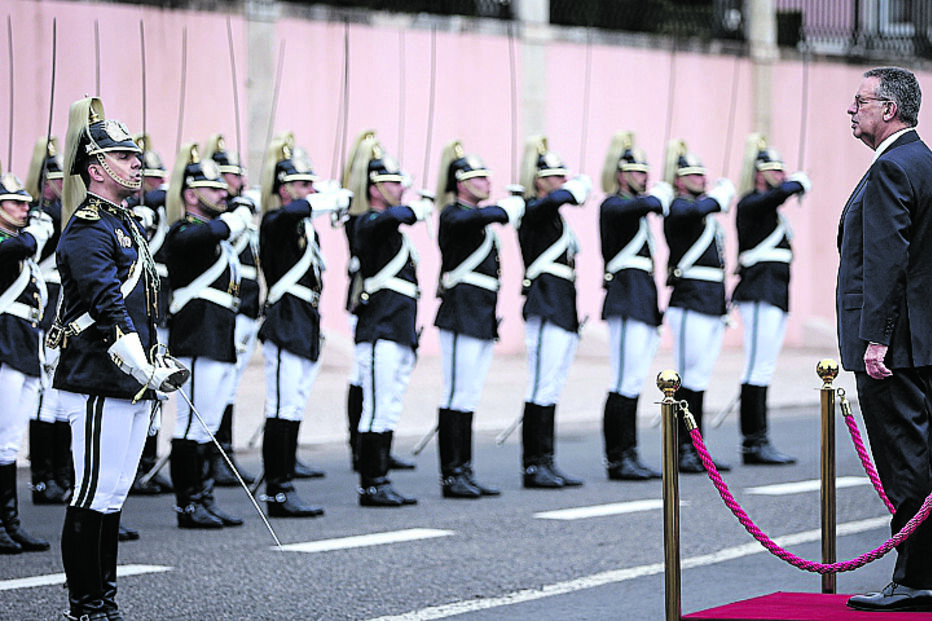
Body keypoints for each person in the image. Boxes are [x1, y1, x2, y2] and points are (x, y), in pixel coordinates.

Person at [53, 96, 187, 621]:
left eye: (136, 156)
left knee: (112, 495)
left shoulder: (126, 224)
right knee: (91, 492)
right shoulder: (88, 229)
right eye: (126, 156)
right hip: (100, 377)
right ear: (96, 167)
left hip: (132, 379)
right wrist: (144, 367)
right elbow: (108, 309)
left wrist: (157, 363)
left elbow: (145, 306)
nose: (138, 164)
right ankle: (86, 607)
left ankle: (104, 602)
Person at [840, 67, 932, 613]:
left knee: (906, 463)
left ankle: (915, 577)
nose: (853, 111)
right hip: (918, 339)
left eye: (861, 102)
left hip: (893, 348)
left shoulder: (893, 168)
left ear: (890, 109)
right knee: (920, 457)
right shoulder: (922, 161)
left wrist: (876, 340)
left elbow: (886, 262)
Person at [255, 132, 349, 517]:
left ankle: (286, 480)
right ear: (283, 188)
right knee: (281, 406)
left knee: (293, 406)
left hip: (304, 320)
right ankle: (277, 490)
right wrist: (322, 200)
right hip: (283, 321)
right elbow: (294, 212)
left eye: (310, 183)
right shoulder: (277, 219)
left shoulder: (303, 224)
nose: (307, 190)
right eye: (300, 184)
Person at [164, 142, 251, 529]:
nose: (223, 193)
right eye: (213, 188)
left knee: (209, 424)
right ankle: (188, 505)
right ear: (190, 194)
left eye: (223, 187)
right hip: (196, 337)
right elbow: (209, 235)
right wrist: (237, 217)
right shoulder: (184, 231)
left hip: (218, 337)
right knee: (190, 423)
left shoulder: (215, 232)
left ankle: (204, 498)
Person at [343, 130, 431, 507]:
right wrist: (411, 211)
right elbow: (384, 220)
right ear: (374, 188)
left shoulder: (390, 226)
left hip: (398, 328)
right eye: (392, 183)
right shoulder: (364, 222)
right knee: (376, 406)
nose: (400, 188)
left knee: (390, 404)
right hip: (378, 328)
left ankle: (381, 476)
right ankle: (372, 482)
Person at [432, 140, 523, 498]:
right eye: (479, 178)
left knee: (468, 395)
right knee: (456, 394)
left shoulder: (479, 219)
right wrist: (503, 209)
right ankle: (451, 474)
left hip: (480, 316)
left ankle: (464, 470)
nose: (487, 183)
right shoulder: (453, 215)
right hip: (459, 315)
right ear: (460, 183)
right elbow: (475, 217)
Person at [515, 136, 590, 489]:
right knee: (540, 386)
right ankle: (534, 465)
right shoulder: (532, 210)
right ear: (538, 179)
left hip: (562, 306)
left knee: (552, 386)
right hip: (545, 305)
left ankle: (546, 461)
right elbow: (553, 201)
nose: (561, 182)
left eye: (564, 176)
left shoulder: (556, 218)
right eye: (554, 176)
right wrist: (572, 190)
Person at [731, 134, 810, 466]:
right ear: (759, 173)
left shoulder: (774, 211)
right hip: (758, 291)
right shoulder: (751, 203)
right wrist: (793, 185)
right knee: (757, 366)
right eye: (774, 170)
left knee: (765, 366)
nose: (780, 175)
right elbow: (774, 197)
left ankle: (759, 440)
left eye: (782, 170)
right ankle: (753, 442)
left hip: (775, 292)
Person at [598, 132, 672, 480]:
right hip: (625, 299)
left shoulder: (638, 209)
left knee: (634, 380)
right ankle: (618, 457)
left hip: (641, 300)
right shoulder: (613, 205)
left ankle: (629, 453)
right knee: (623, 380)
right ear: (621, 174)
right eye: (636, 171)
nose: (644, 177)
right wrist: (657, 197)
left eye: (646, 171)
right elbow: (643, 205)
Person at [661, 139, 734, 474]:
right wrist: (717, 199)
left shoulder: (702, 212)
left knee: (700, 380)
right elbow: (691, 211)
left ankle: (697, 448)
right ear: (678, 180)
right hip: (689, 301)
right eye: (691, 175)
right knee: (687, 380)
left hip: (710, 303)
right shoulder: (678, 208)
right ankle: (681, 450)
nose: (700, 179)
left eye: (701, 174)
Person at [0, 170, 54, 554]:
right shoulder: (10, 243)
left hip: (24, 347)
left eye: (26, 202)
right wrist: (39, 230)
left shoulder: (20, 240)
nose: (24, 208)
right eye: (15, 203)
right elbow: (15, 250)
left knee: (10, 444)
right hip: (3, 347)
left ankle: (10, 523)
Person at [202, 133, 259, 487]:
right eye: (230, 175)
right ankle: (213, 455)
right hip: (227, 307)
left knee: (230, 386)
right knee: (218, 388)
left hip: (248, 307)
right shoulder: (223, 217)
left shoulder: (242, 210)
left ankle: (223, 451)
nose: (237, 182)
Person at [23, 137, 75, 505]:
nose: (61, 185)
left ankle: (60, 473)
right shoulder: (40, 216)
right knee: (45, 399)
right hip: (44, 313)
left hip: (64, 310)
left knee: (58, 400)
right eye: (54, 178)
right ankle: (42, 478)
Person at [125, 133, 175, 497]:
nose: (158, 184)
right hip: (133, 310)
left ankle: (148, 462)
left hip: (159, 310)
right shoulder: (134, 213)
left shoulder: (159, 211)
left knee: (157, 393)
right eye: (151, 178)